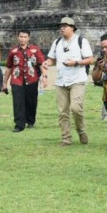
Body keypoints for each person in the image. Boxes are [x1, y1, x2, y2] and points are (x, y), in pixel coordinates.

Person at [44, 17, 94, 146]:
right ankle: (66, 138)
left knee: (76, 109)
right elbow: (51, 58)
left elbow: (90, 59)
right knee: (62, 112)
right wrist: (46, 63)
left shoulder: (81, 41)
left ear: (72, 27)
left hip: (77, 79)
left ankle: (81, 131)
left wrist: (75, 63)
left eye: (65, 26)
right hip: (61, 81)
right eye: (60, 26)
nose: (62, 28)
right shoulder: (57, 42)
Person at [4, 30, 46, 132]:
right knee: (18, 103)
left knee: (31, 102)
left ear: (28, 38)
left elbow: (41, 64)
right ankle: (19, 125)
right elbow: (9, 67)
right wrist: (4, 82)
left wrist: (45, 77)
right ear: (18, 37)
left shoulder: (35, 50)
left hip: (32, 80)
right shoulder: (13, 51)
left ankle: (30, 121)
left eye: (25, 37)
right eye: (21, 37)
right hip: (16, 80)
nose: (23, 39)